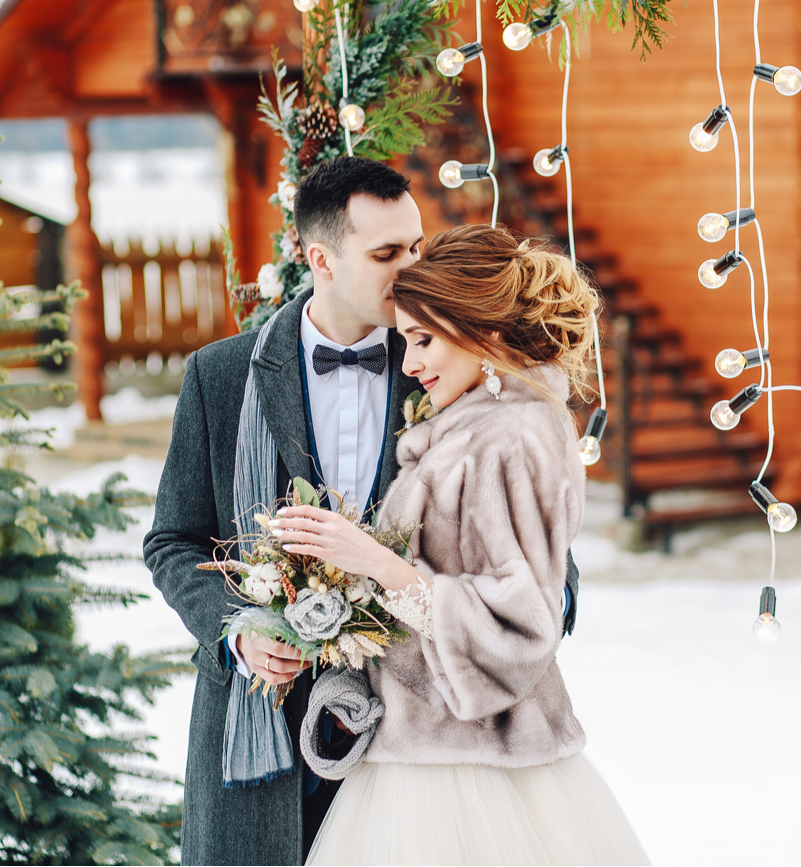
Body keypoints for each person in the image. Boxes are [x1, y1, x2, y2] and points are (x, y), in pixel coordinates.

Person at [143, 158, 582, 865]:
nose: (412, 268)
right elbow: (173, 539)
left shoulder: (445, 370)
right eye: (387, 254)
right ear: (320, 258)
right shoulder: (219, 378)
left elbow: (534, 558)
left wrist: (512, 631)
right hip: (257, 738)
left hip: (416, 750)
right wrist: (239, 634)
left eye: (416, 245)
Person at [269, 224, 649, 865]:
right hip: (419, 746)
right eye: (404, 340)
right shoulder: (471, 426)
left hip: (470, 765)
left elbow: (524, 622)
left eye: (423, 340)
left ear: (486, 334)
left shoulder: (511, 438)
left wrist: (376, 565)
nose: (409, 363)